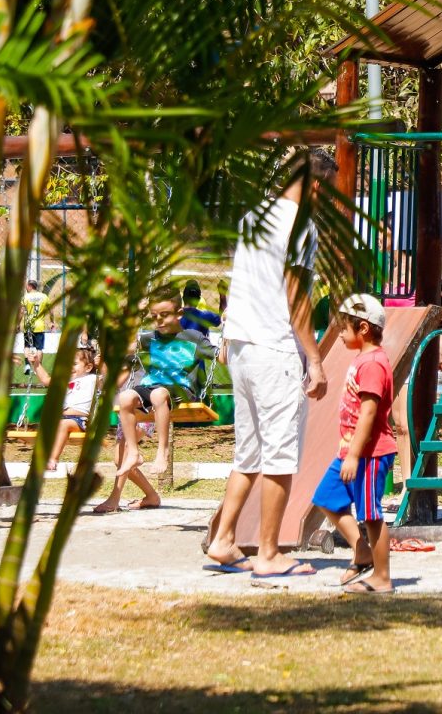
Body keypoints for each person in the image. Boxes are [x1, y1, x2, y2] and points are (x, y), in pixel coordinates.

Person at [204, 149, 335, 578]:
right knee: (280, 455)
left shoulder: (253, 217)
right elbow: (297, 299)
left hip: (241, 345)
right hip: (275, 348)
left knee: (249, 452)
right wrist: (314, 359)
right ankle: (268, 553)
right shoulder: (302, 225)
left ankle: (224, 539)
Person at [97, 287, 214, 512]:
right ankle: (134, 455)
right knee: (126, 397)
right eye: (154, 316)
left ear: (179, 313)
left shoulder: (193, 338)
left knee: (158, 395)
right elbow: (120, 346)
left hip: (178, 390)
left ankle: (162, 452)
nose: (159, 321)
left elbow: (221, 356)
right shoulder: (149, 339)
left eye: (164, 315)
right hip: (148, 391)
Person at [310, 294, 398, 594]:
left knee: (371, 515)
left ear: (363, 328)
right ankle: (362, 551)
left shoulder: (373, 363)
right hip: (351, 451)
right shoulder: (362, 359)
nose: (339, 333)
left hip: (370, 453)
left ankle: (382, 578)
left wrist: (354, 455)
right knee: (326, 497)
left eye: (344, 328)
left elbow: (369, 413)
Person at [26, 340, 103, 472]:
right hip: (62, 419)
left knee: (63, 424)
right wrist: (36, 363)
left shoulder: (91, 379)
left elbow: (107, 380)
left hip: (81, 421)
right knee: (47, 427)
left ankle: (52, 460)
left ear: (88, 367)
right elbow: (46, 380)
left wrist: (102, 364)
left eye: (74, 364)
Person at [21, 279, 53, 351]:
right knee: (39, 349)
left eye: (26, 286)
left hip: (29, 326)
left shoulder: (26, 297)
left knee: (27, 347)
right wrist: (52, 321)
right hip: (39, 326)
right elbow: (51, 310)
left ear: (30, 286)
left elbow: (21, 311)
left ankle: (28, 359)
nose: (26, 288)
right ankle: (38, 359)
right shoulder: (44, 296)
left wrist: (17, 324)